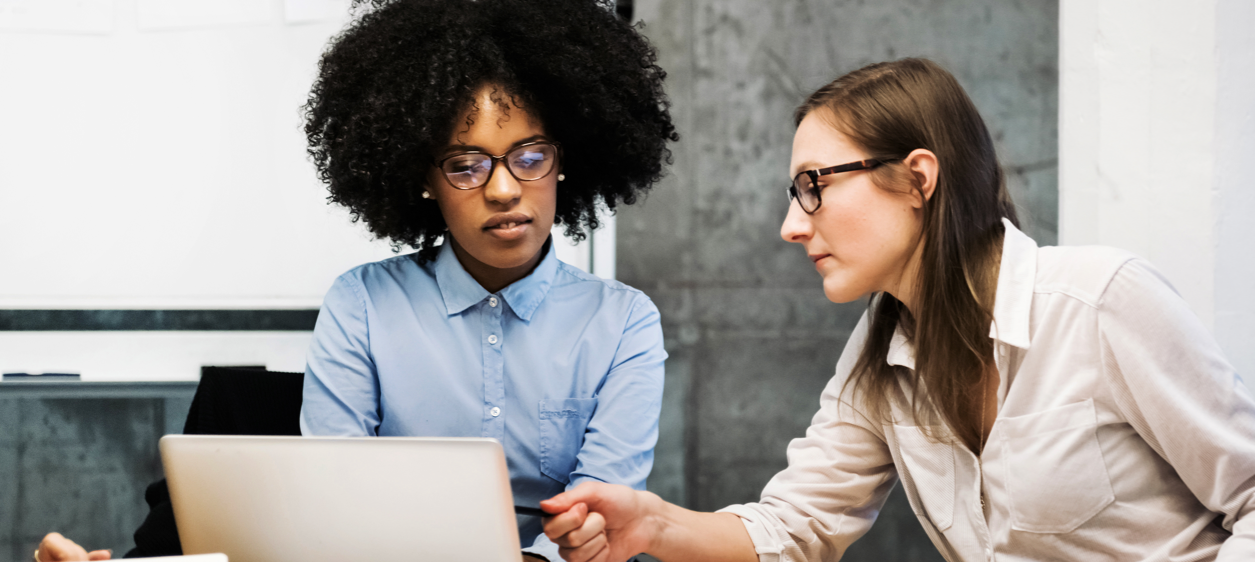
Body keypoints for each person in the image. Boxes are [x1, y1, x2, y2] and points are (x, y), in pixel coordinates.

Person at [539, 58, 1255, 562]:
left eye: (812, 185)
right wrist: (653, 524)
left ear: (916, 179)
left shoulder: (1100, 301)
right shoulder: (878, 356)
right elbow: (796, 526)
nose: (792, 225)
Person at [35, 0, 676, 560]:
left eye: (530, 157)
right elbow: (331, 507)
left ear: (566, 162)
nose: (505, 189)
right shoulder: (363, 303)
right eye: (465, 165)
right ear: (422, 179)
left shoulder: (623, 323)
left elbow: (607, 512)